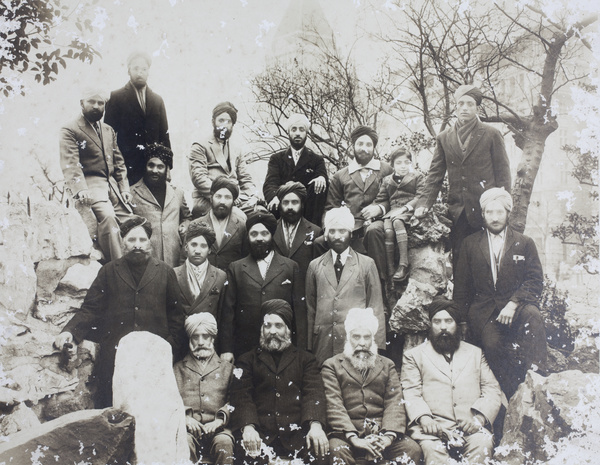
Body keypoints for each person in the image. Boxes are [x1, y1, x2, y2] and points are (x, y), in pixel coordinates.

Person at [53, 216, 185, 407]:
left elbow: (177, 318)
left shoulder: (165, 272)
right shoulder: (109, 271)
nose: (137, 245)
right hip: (116, 358)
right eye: (132, 240)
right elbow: (91, 308)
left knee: (151, 410)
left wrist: (166, 349)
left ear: (149, 243)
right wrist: (70, 332)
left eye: (142, 240)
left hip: (152, 358)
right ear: (123, 242)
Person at [453, 188, 547, 398]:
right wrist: (462, 322)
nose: (495, 218)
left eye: (499, 212)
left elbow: (535, 280)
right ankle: (513, 394)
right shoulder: (470, 244)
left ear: (507, 213)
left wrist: (514, 303)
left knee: (534, 317)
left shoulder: (524, 243)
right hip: (485, 312)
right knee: (492, 345)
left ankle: (539, 382)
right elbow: (461, 287)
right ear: (483, 214)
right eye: (489, 213)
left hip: (518, 306)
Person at [414, 85, 511, 270]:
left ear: (477, 108)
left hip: (485, 211)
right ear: (456, 108)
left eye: (470, 104)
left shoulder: (491, 134)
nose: (465, 108)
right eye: (461, 104)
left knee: (486, 259)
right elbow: (435, 173)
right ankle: (460, 299)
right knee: (459, 259)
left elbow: (503, 174)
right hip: (457, 212)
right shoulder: (444, 138)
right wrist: (424, 204)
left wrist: (503, 208)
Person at [401, 297, 502, 465]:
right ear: (430, 325)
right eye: (437, 322)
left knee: (482, 443)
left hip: (470, 429)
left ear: (457, 325)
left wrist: (480, 419)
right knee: (432, 450)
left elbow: (492, 389)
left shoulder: (476, 353)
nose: (443, 327)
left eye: (448, 321)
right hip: (433, 431)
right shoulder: (414, 356)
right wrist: (424, 418)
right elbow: (411, 392)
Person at [230, 300, 329, 465]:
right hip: (259, 436)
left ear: (288, 330)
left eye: (278, 326)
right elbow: (241, 396)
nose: (272, 331)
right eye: (267, 326)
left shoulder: (306, 360)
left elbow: (314, 394)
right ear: (261, 329)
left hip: (297, 438)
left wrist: (316, 425)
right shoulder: (247, 360)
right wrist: (248, 427)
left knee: (320, 451)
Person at [321, 308, 422, 465]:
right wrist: (354, 438)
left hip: (382, 434)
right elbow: (334, 406)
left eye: (367, 337)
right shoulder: (332, 366)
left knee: (412, 449)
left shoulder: (387, 365)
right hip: (347, 435)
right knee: (336, 450)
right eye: (356, 337)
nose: (362, 343)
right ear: (347, 338)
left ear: (373, 339)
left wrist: (387, 438)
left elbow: (394, 403)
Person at [59, 87, 133, 261]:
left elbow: (119, 163)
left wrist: (125, 189)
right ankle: (118, 267)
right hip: (91, 185)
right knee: (108, 219)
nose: (96, 106)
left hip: (112, 187)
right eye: (91, 101)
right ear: (82, 103)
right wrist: (80, 189)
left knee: (135, 222)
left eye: (100, 103)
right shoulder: (70, 129)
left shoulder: (108, 130)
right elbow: (70, 163)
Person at [220, 212, 306, 359]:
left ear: (272, 235)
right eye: (254, 234)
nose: (259, 238)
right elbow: (228, 312)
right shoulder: (236, 268)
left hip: (281, 346)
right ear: (248, 237)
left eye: (264, 233)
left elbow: (299, 313)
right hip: (246, 347)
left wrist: (300, 350)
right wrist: (226, 349)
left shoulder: (290, 267)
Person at [305, 207, 385, 365]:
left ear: (350, 233)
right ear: (326, 235)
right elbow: (310, 308)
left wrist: (378, 345)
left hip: (356, 343)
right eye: (332, 231)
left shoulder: (366, 264)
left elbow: (375, 305)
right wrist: (309, 345)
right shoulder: (315, 266)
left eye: (342, 231)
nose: (337, 236)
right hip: (323, 343)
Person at [325, 125, 393, 282]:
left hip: (379, 223)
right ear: (353, 146)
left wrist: (380, 208)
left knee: (373, 232)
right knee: (321, 242)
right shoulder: (340, 175)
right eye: (360, 144)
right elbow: (331, 207)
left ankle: (381, 284)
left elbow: (395, 197)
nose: (364, 149)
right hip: (352, 226)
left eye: (369, 145)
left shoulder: (386, 169)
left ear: (374, 148)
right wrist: (331, 229)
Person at [173, 313, 234, 465]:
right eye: (195, 336)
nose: (200, 342)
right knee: (184, 442)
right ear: (189, 339)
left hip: (219, 430)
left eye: (205, 336)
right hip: (188, 431)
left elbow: (236, 401)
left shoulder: (228, 369)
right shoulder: (177, 369)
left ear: (213, 338)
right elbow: (169, 401)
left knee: (224, 443)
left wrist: (219, 420)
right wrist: (185, 418)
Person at [104, 51, 171, 186]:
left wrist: (168, 166)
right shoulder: (116, 97)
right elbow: (107, 135)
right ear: (128, 70)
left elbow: (164, 135)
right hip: (126, 165)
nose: (139, 73)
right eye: (136, 68)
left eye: (144, 69)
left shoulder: (157, 100)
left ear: (148, 72)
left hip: (153, 167)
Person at [188, 102, 258, 217]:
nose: (224, 126)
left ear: (232, 125)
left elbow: (246, 178)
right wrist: (227, 195)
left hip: (235, 200)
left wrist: (253, 195)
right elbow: (199, 179)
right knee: (238, 215)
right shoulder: (200, 145)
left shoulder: (236, 149)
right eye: (221, 121)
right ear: (213, 122)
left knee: (260, 211)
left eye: (228, 122)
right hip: (208, 200)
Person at [130, 143, 191, 267]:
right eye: (151, 165)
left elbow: (187, 217)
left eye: (160, 167)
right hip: (146, 259)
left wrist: (185, 224)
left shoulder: (177, 193)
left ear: (166, 169)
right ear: (145, 166)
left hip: (174, 258)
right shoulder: (132, 193)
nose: (155, 170)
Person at [263, 114, 328, 226]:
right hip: (283, 207)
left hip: (307, 210)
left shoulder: (317, 160)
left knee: (320, 184)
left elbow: (321, 174)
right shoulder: (277, 159)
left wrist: (322, 178)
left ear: (306, 133)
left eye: (301, 129)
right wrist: (273, 197)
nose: (297, 133)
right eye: (294, 129)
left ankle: (313, 231)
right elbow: (270, 183)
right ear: (288, 132)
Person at [371, 147, 424, 282]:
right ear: (393, 165)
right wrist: (374, 210)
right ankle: (390, 268)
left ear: (411, 163)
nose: (403, 166)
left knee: (397, 222)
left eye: (406, 162)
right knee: (388, 231)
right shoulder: (387, 180)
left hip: (408, 211)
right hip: (392, 212)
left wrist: (406, 208)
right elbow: (381, 198)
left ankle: (403, 264)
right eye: (399, 163)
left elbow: (420, 196)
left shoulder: (417, 177)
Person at [272, 181, 323, 290]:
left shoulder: (316, 231)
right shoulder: (270, 230)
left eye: (295, 202)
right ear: (280, 204)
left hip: (303, 291)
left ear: (302, 204)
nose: (290, 207)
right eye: (286, 202)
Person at [174, 220, 227, 321]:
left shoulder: (220, 276)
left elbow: (222, 314)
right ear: (186, 247)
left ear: (209, 250)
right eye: (193, 245)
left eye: (203, 246)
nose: (197, 251)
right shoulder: (174, 274)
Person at [195, 176, 248, 271]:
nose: (222, 201)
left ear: (233, 201)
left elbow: (246, 259)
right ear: (211, 198)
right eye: (218, 196)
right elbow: (185, 259)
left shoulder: (241, 225)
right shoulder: (196, 225)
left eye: (227, 197)